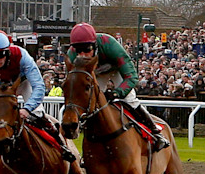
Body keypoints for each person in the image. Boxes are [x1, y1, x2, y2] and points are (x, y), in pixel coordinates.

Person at [67, 22, 169, 151]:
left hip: (116, 69)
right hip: (95, 73)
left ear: (94, 45)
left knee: (130, 99)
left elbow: (131, 77)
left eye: (87, 49)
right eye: (78, 50)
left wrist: (117, 93)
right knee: (88, 101)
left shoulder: (109, 44)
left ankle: (155, 133)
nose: (82, 55)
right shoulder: (72, 54)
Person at [0, 30, 75, 163]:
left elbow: (39, 86)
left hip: (22, 83)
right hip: (0, 90)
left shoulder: (22, 56)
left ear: (8, 52)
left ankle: (60, 145)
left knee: (38, 113)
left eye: (0, 55)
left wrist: (27, 109)